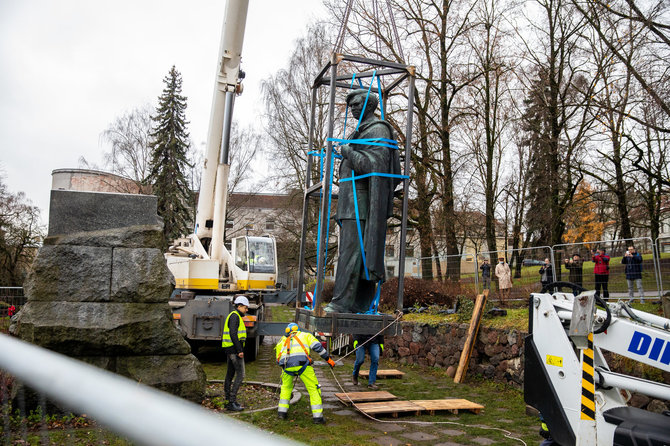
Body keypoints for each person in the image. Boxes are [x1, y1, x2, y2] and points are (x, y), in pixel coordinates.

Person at [325, 89, 401, 314]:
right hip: (352, 203)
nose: (353, 109)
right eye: (351, 106)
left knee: (352, 253)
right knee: (350, 253)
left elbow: (375, 167)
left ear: (370, 104)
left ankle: (342, 303)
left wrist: (348, 152)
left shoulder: (378, 129)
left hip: (362, 204)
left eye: (357, 104)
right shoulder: (360, 132)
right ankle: (354, 302)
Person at [276, 323, 336, 424]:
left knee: (285, 388)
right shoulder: (305, 335)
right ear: (297, 329)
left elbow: (278, 359)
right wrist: (328, 359)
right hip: (303, 366)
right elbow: (318, 348)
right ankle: (318, 418)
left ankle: (281, 413)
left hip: (286, 368)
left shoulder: (282, 340)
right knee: (313, 389)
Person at [222, 295, 249, 411]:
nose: (246, 310)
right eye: (245, 308)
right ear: (240, 306)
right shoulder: (235, 317)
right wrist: (239, 351)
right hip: (234, 350)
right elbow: (233, 334)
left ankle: (228, 401)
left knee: (230, 375)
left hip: (230, 349)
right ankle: (231, 401)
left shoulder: (234, 316)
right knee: (240, 375)